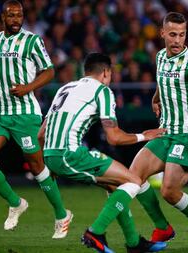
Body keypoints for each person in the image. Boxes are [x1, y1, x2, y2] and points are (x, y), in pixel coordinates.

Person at [38, 52, 167, 253]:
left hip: (51, 154)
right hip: (69, 154)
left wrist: (50, 163)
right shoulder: (102, 91)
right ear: (106, 72)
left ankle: (134, 243)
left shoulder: (65, 88)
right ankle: (95, 232)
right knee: (133, 181)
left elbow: (41, 134)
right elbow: (114, 137)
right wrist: (144, 136)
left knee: (115, 185)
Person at [0, 0, 72, 239]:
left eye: (19, 15)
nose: (16, 20)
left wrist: (28, 87)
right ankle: (16, 203)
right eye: (11, 16)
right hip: (0, 112)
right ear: (3, 17)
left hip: (25, 114)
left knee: (37, 167)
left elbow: (50, 70)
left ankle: (61, 213)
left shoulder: (32, 40)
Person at [128, 12, 188, 250]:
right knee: (132, 177)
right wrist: (156, 97)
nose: (177, 40)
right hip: (166, 132)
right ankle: (163, 227)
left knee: (170, 191)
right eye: (172, 34)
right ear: (162, 34)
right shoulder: (160, 57)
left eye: (181, 35)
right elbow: (164, 82)